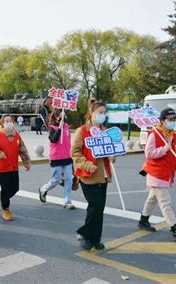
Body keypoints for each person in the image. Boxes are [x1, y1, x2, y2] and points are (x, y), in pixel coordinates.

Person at [138, 108, 176, 241]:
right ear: (162, 121)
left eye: (174, 120)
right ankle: (175, 229)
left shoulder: (175, 136)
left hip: (167, 173)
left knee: (152, 199)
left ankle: (143, 220)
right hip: (156, 173)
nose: (172, 122)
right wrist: (164, 149)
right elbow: (148, 153)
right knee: (165, 203)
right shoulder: (154, 134)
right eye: (170, 120)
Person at [71, 100, 115, 250]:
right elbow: (75, 153)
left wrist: (112, 156)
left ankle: (95, 238)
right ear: (92, 113)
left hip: (102, 175)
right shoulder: (82, 131)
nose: (103, 115)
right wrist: (88, 164)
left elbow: (110, 151)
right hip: (88, 175)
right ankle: (84, 234)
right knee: (94, 206)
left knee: (99, 208)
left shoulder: (105, 131)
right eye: (100, 112)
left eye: (104, 112)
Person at [0, 114, 32, 221]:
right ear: (2, 123)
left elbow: (22, 150)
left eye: (10, 120)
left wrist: (27, 162)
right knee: (5, 188)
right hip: (2, 167)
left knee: (15, 188)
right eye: (6, 121)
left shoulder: (17, 135)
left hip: (14, 166)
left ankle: (3, 197)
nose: (9, 122)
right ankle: (6, 209)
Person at [39, 109, 75, 209]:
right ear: (57, 117)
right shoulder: (52, 128)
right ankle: (43, 189)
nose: (64, 117)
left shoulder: (67, 127)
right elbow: (53, 139)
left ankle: (67, 201)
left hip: (67, 158)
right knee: (56, 180)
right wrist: (59, 128)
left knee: (69, 179)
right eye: (62, 115)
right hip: (56, 158)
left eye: (65, 115)